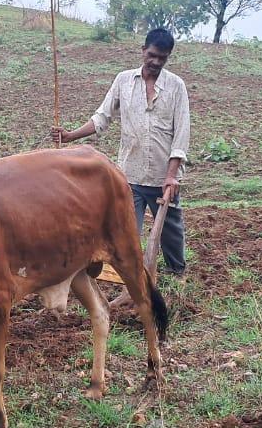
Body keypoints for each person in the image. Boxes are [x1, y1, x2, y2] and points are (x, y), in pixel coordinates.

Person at [51, 27, 190, 277]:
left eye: (162, 57)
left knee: (171, 228)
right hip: (129, 174)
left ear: (168, 57)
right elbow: (101, 118)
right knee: (127, 231)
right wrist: (71, 135)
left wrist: (171, 176)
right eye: (152, 55)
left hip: (163, 175)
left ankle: (176, 269)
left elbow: (181, 133)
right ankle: (131, 274)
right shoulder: (123, 81)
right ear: (143, 51)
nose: (156, 62)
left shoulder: (176, 86)